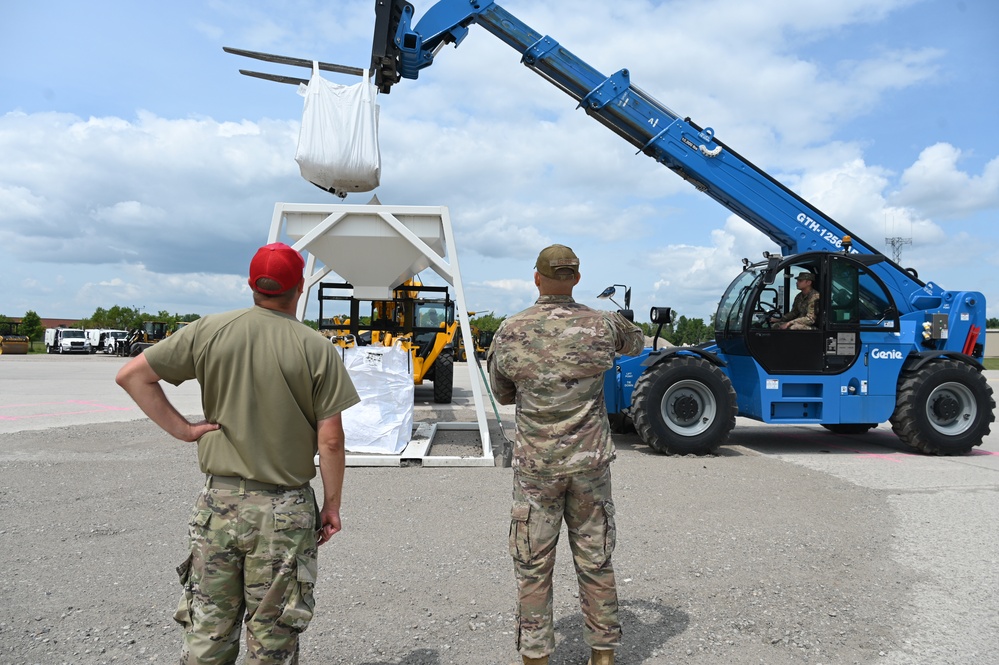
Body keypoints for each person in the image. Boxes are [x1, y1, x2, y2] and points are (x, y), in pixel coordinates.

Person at [115, 242, 360, 664]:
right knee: (272, 637)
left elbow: (132, 375)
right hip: (284, 512)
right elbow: (331, 439)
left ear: (252, 285)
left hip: (218, 505)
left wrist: (186, 430)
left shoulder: (208, 330)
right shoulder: (315, 347)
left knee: (208, 629)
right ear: (298, 287)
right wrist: (332, 504)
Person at [487, 244, 645, 665]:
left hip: (537, 468)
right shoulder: (603, 325)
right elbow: (636, 342)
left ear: (536, 278)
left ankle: (537, 656)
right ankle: (603, 655)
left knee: (533, 563)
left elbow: (502, 394)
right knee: (595, 558)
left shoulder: (511, 330)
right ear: (576, 278)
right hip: (590, 465)